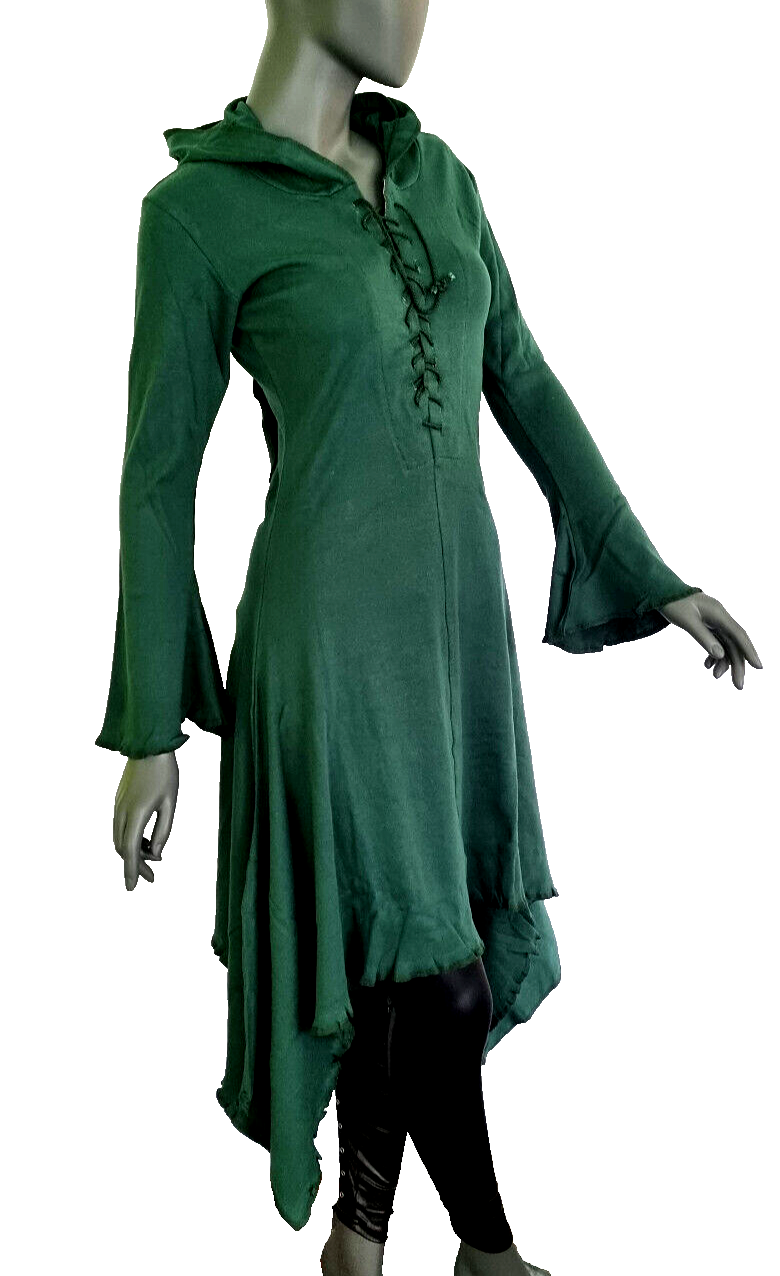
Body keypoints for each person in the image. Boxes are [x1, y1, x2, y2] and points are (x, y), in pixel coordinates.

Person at [96, 3, 762, 1274]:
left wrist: (651, 573)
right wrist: (149, 727)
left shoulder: (441, 179)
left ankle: (359, 1241)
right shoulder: (196, 214)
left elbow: (524, 376)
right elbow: (156, 478)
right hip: (327, 650)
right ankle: (488, 1252)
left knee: (410, 969)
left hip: (457, 640)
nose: (418, 12)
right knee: (438, 973)